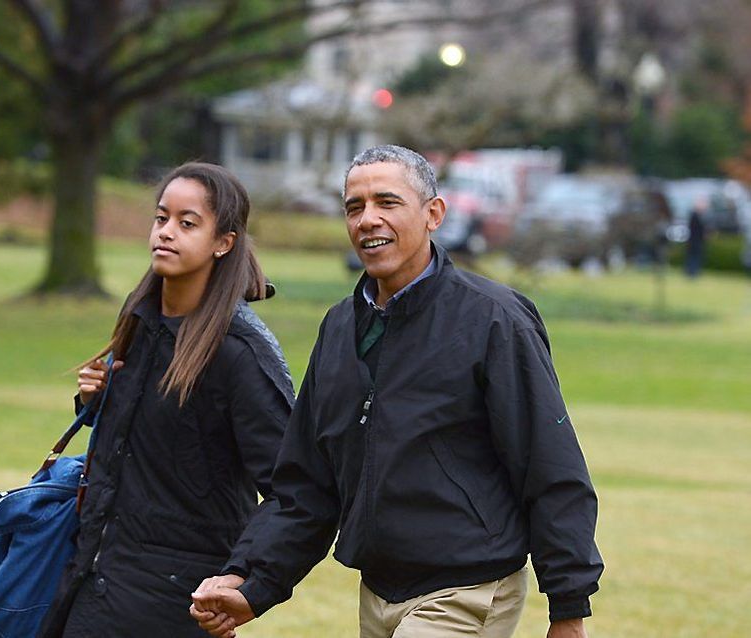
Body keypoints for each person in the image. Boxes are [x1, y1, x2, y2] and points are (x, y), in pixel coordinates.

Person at [191, 145, 603, 638]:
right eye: (354, 206)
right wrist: (248, 581)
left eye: (387, 202)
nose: (368, 220)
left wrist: (568, 607)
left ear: (433, 214)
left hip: (466, 588)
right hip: (379, 592)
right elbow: (305, 485)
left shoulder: (494, 320)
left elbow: (550, 464)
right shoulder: (341, 327)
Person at [36, 162, 294, 638]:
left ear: (224, 242)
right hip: (92, 579)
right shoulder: (141, 321)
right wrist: (96, 402)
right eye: (161, 218)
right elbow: (147, 443)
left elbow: (291, 489)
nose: (166, 232)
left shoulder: (240, 353)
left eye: (187, 222)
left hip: (175, 603)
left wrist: (241, 579)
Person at [686, 197, 707, 277]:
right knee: (693, 257)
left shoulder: (698, 216)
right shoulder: (695, 216)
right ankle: (692, 272)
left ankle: (693, 272)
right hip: (694, 241)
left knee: (695, 257)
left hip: (696, 241)